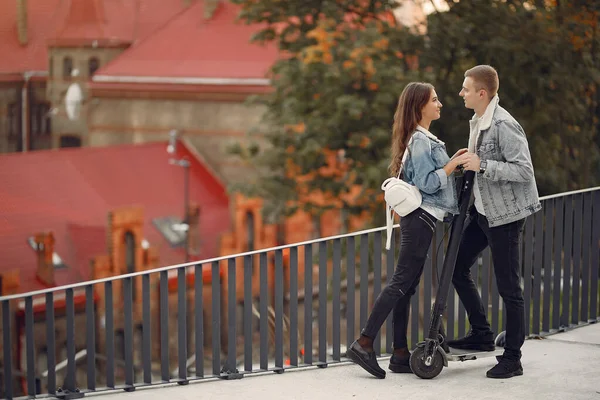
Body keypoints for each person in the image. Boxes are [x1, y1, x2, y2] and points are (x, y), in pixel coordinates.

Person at [347, 82, 467, 378]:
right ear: (420, 106)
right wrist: (452, 166)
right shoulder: (421, 141)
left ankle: (400, 353)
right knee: (400, 282)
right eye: (435, 100)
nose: (440, 105)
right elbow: (428, 183)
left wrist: (453, 166)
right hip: (422, 219)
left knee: (407, 286)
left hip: (421, 219)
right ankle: (364, 342)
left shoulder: (423, 139)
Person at [448, 65, 541, 379]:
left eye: (466, 89)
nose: (462, 93)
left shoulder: (503, 124)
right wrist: (467, 164)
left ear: (482, 93)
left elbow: (524, 171)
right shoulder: (477, 121)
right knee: (455, 266)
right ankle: (482, 333)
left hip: (506, 217)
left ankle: (512, 358)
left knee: (509, 288)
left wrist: (483, 164)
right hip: (483, 212)